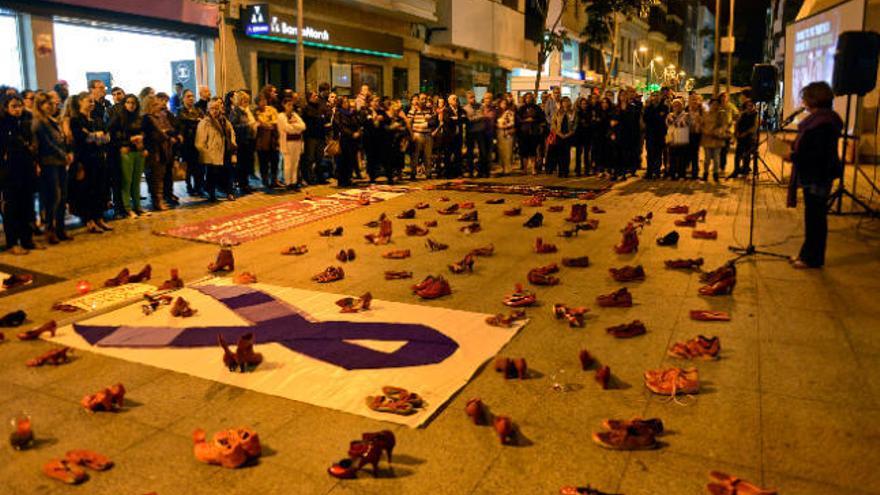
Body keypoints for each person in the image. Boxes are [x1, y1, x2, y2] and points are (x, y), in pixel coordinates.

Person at [786, 82, 842, 269]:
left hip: (818, 176)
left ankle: (812, 259)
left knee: (815, 219)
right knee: (813, 217)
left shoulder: (822, 123)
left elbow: (816, 154)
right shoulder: (820, 120)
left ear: (814, 99)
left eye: (805, 97)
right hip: (815, 174)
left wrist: (792, 155)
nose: (802, 101)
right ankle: (807, 254)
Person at [67, 92, 112, 233]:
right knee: (87, 190)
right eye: (89, 101)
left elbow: (107, 138)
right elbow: (81, 138)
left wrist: (93, 136)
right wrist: (95, 136)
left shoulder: (97, 118)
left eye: (93, 101)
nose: (92, 104)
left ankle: (99, 218)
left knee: (100, 189)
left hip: (98, 158)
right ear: (80, 102)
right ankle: (89, 220)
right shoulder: (76, 120)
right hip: (84, 160)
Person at [0, 94, 39, 253]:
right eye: (13, 106)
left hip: (26, 170)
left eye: (19, 106)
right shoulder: (3, 125)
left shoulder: (25, 122)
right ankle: (12, 243)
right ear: (6, 108)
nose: (17, 109)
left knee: (27, 206)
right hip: (9, 173)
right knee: (12, 209)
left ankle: (27, 239)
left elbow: (31, 144)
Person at [33, 92, 73, 243]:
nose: (51, 106)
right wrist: (63, 155)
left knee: (62, 197)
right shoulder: (39, 122)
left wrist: (68, 153)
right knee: (52, 198)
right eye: (47, 104)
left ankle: (61, 229)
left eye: (52, 103)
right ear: (40, 105)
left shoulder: (53, 120)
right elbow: (47, 144)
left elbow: (61, 140)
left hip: (60, 163)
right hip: (49, 164)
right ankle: (50, 230)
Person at [108, 94, 148, 218]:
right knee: (127, 181)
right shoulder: (118, 117)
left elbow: (144, 133)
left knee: (137, 181)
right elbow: (111, 135)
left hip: (138, 151)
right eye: (128, 102)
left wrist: (142, 142)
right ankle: (127, 208)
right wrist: (125, 142)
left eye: (133, 103)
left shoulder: (139, 118)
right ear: (124, 104)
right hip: (126, 152)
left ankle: (138, 207)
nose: (131, 105)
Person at [196, 97, 237, 201]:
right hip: (212, 153)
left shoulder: (224, 120)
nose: (214, 111)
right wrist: (206, 153)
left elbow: (231, 132)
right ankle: (212, 193)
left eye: (216, 108)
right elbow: (200, 141)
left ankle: (229, 192)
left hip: (225, 151)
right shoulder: (205, 123)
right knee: (212, 175)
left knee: (228, 173)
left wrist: (232, 144)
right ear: (208, 109)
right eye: (212, 108)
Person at [141, 94, 176, 210]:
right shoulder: (146, 118)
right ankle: (157, 201)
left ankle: (160, 199)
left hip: (163, 149)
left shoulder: (161, 115)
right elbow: (158, 133)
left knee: (161, 176)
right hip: (152, 150)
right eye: (154, 105)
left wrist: (166, 133)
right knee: (154, 177)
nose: (157, 106)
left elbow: (170, 129)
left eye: (157, 104)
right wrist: (165, 134)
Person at [177, 89, 205, 195]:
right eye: (188, 96)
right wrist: (195, 121)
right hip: (187, 143)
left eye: (192, 96)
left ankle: (199, 187)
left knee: (199, 167)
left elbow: (203, 122)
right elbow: (183, 122)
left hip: (198, 141)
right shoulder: (180, 111)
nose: (191, 98)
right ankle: (189, 187)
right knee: (188, 167)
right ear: (183, 98)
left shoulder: (198, 110)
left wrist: (194, 121)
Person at [229, 90, 257, 194]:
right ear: (240, 101)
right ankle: (242, 185)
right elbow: (233, 127)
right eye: (244, 100)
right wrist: (247, 126)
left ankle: (246, 183)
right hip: (241, 142)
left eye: (247, 100)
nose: (246, 102)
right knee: (241, 164)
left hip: (248, 140)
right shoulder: (235, 112)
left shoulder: (246, 111)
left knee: (247, 164)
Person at [300, 91, 329, 185]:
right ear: (309, 98)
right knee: (310, 158)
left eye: (317, 95)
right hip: (311, 137)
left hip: (320, 136)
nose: (316, 97)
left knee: (319, 158)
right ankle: (309, 178)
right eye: (314, 95)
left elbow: (323, 118)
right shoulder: (306, 108)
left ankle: (320, 177)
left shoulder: (319, 107)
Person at [277, 95, 306, 189]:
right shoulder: (281, 116)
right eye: (288, 105)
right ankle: (288, 182)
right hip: (287, 142)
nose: (290, 107)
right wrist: (295, 127)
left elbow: (303, 126)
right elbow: (286, 128)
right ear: (284, 105)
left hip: (297, 141)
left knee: (295, 162)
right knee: (288, 163)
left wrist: (294, 126)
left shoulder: (294, 115)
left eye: (292, 105)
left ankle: (294, 181)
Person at [332, 96, 361, 188]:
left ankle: (348, 178)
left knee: (350, 160)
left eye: (347, 102)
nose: (347, 104)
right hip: (343, 139)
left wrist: (357, 131)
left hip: (352, 141)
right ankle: (342, 180)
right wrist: (351, 134)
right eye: (344, 102)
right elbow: (340, 127)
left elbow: (356, 123)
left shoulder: (351, 113)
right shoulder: (338, 113)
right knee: (342, 160)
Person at [254, 91, 281, 189]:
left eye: (264, 100)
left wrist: (266, 124)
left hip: (273, 139)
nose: (263, 102)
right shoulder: (255, 112)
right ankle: (265, 181)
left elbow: (275, 122)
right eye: (261, 101)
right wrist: (266, 124)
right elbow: (258, 124)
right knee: (263, 162)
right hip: (262, 141)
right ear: (257, 102)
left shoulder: (272, 109)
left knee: (275, 160)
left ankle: (274, 180)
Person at [516, 92, 546, 175]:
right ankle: (525, 169)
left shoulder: (537, 108)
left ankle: (533, 169)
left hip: (534, 132)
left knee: (533, 151)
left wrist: (533, 120)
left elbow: (541, 118)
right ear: (525, 99)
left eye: (530, 97)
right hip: (524, 132)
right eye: (527, 97)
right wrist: (525, 120)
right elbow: (517, 119)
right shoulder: (521, 108)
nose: (528, 99)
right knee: (524, 151)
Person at [407, 95, 436, 180]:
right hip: (417, 134)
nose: (424, 101)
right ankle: (413, 173)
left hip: (427, 135)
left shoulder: (429, 110)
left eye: (425, 99)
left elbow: (434, 121)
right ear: (418, 100)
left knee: (428, 155)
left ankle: (428, 173)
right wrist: (411, 134)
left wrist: (429, 122)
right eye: (422, 99)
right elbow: (409, 123)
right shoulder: (413, 111)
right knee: (415, 155)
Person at [729, 99, 758, 178]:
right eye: (748, 105)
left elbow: (753, 127)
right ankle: (736, 171)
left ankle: (745, 171)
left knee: (746, 155)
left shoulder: (755, 114)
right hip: (741, 138)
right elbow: (738, 123)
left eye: (751, 106)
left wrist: (745, 133)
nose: (749, 107)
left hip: (750, 139)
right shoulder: (743, 114)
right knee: (737, 155)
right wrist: (736, 132)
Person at [643, 92, 669, 179]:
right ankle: (649, 171)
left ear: (661, 97)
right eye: (653, 96)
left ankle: (656, 171)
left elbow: (663, 119)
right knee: (650, 154)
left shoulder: (664, 107)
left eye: (657, 95)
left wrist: (655, 118)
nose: (655, 97)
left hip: (660, 134)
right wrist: (656, 117)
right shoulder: (648, 107)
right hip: (650, 134)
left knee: (658, 154)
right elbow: (646, 119)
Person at [700, 97, 726, 181]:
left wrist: (717, 132)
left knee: (716, 158)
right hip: (707, 138)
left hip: (716, 138)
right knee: (707, 158)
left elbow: (724, 125)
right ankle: (705, 173)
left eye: (716, 104)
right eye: (713, 104)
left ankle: (715, 174)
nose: (715, 106)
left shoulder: (721, 114)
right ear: (710, 104)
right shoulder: (705, 113)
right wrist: (705, 131)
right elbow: (702, 124)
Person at [665, 98, 692, 180]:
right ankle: (672, 174)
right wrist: (675, 121)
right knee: (672, 158)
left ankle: (681, 175)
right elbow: (668, 123)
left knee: (682, 159)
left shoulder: (686, 115)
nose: (676, 107)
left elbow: (684, 124)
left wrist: (675, 122)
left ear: (682, 106)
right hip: (672, 139)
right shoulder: (670, 115)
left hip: (682, 139)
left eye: (678, 105)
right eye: (675, 105)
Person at [550, 96, 576, 178]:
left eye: (567, 101)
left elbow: (575, 124)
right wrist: (558, 133)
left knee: (566, 154)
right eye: (564, 101)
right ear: (561, 103)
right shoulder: (558, 112)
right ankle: (560, 170)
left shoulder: (572, 112)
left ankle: (566, 171)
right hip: (559, 135)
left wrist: (569, 133)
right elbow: (553, 123)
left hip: (568, 135)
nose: (565, 103)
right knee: (559, 154)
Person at [495, 98, 515, 175]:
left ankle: (508, 169)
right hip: (499, 133)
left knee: (508, 151)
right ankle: (502, 168)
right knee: (501, 151)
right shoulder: (498, 112)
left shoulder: (509, 112)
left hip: (508, 133)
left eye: (505, 103)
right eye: (502, 103)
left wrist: (504, 126)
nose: (503, 105)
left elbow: (512, 122)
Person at [685, 94, 704, 179]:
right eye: (692, 99)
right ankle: (687, 170)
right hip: (686, 133)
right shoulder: (686, 109)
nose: (694, 101)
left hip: (697, 134)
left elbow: (705, 121)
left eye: (696, 99)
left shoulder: (701, 110)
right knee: (687, 152)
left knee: (695, 153)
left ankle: (695, 173)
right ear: (689, 101)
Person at [573, 96, 593, 176]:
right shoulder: (578, 113)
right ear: (580, 104)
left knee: (586, 154)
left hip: (587, 135)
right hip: (579, 135)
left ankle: (586, 170)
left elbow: (590, 123)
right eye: (582, 104)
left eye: (585, 104)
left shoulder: (589, 113)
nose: (584, 105)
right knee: (578, 154)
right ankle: (578, 170)